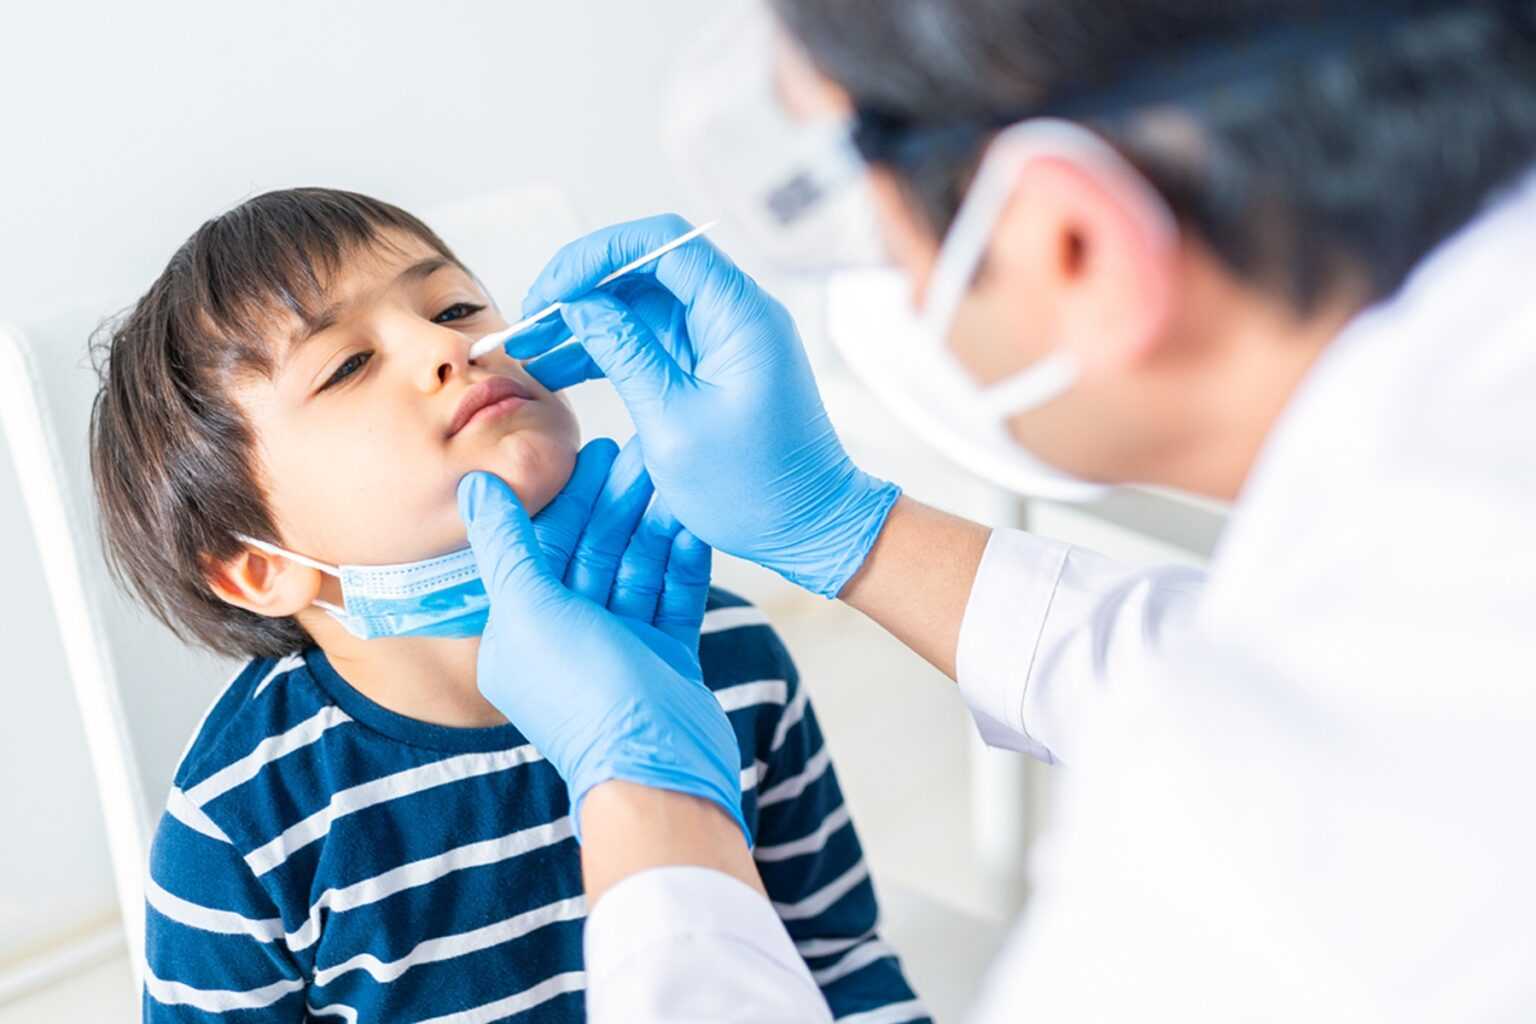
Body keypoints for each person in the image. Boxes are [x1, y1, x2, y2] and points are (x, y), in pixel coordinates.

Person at [453, 1, 1536, 1020]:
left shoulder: (1274, 871)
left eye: (869, 217)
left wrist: (646, 797)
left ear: (1077, 242)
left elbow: (1295, 757)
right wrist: (849, 530)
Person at [88, 188, 926, 1021]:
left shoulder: (727, 653)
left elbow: (838, 963)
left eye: (454, 307)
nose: (447, 346)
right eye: (347, 364)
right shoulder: (242, 821)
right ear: (255, 566)